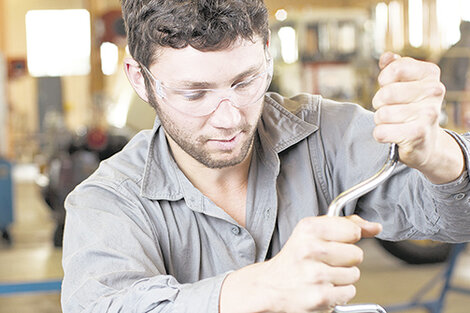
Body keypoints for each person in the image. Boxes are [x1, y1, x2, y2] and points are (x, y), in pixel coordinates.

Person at [61, 1, 470, 312]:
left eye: (245, 81)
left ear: (268, 50)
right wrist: (262, 286)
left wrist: (440, 156)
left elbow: (458, 220)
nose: (228, 118)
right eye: (195, 93)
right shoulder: (106, 201)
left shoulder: (325, 134)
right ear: (140, 78)